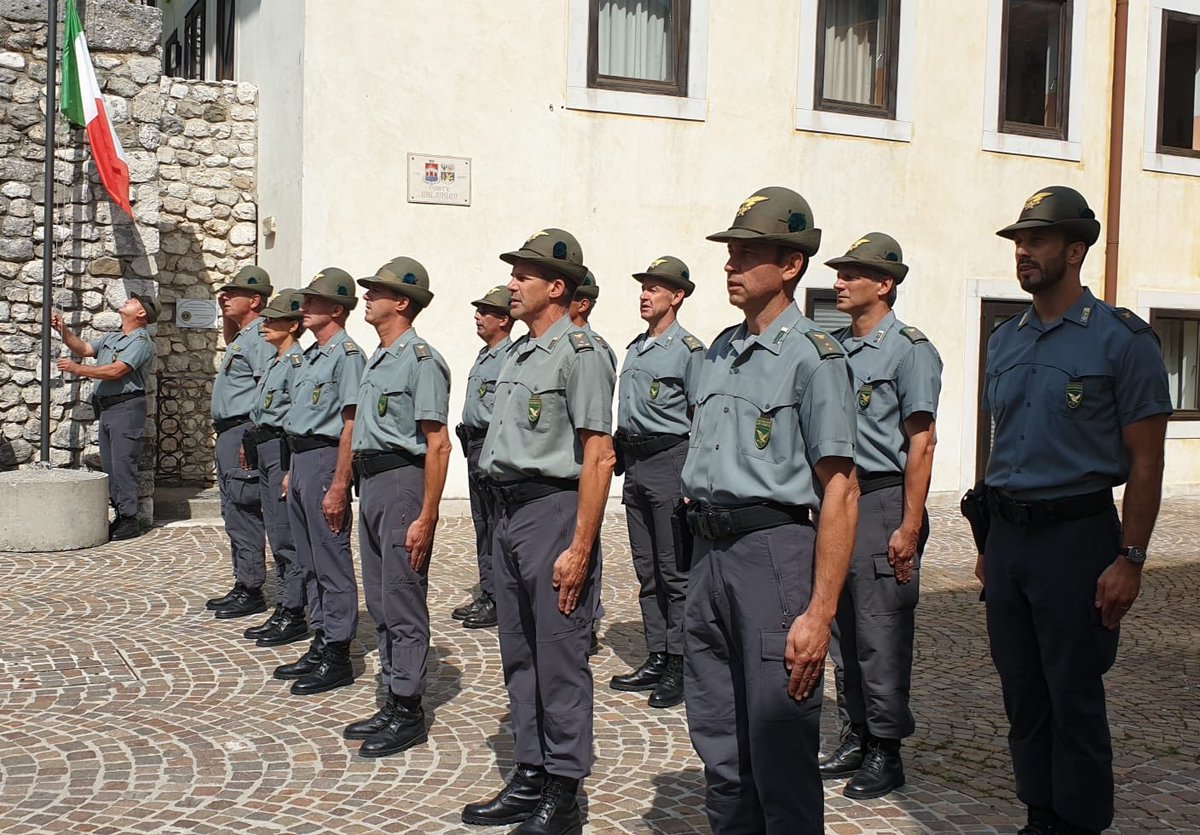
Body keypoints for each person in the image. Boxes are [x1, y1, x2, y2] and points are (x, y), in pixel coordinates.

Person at [981, 186, 1171, 835]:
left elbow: (1146, 461)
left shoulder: (1123, 343)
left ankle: (1081, 823)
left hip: (1077, 540)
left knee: (1075, 700)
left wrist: (1132, 558)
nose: (1023, 252)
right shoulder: (1004, 341)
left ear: (1075, 248)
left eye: (1036, 240)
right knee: (1023, 696)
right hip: (1009, 541)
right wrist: (988, 544)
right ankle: (1040, 816)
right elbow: (1001, 445)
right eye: (1018, 241)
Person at [680, 187, 859, 834]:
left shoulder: (814, 358)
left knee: (780, 752)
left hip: (772, 558)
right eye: (729, 253)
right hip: (707, 559)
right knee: (721, 749)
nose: (730, 266)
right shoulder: (716, 352)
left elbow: (841, 488)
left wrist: (820, 610)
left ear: (790, 265)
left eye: (747, 254)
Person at [461, 229, 615, 835]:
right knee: (519, 654)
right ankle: (529, 772)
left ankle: (564, 789)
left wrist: (580, 546)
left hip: (554, 511)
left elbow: (598, 454)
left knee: (560, 657)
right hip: (507, 515)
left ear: (557, 286)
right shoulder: (519, 353)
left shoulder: (581, 352)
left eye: (523, 275)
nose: (511, 284)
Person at [817, 233, 942, 798]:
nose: (839, 282)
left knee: (880, 631)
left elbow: (922, 443)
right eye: (839, 273)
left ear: (884, 284)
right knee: (842, 626)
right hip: (841, 500)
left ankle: (886, 750)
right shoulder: (835, 348)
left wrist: (910, 524)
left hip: (885, 498)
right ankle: (857, 732)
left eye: (852, 274)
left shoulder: (909, 350)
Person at [342, 257, 452, 758]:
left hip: (403, 483)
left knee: (403, 597)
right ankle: (393, 693)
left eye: (376, 291)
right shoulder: (379, 358)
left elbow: (438, 444)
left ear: (401, 302)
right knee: (384, 600)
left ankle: (408, 707)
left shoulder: (421, 360)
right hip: (374, 484)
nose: (366, 297)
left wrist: (428, 515)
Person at [609, 256, 704, 710]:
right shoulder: (635, 348)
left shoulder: (689, 351)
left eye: (654, 288)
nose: (644, 295)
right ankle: (657, 652)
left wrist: (693, 478)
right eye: (643, 287)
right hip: (636, 464)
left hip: (672, 462)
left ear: (677, 296)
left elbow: (701, 419)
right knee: (647, 570)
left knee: (674, 570)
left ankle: (681, 663)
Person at [272, 268, 365, 696]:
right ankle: (320, 638)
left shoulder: (347, 355)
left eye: (314, 301)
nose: (304, 307)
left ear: (337, 309)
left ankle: (338, 652)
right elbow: (300, 418)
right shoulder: (312, 355)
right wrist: (293, 467)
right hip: (305, 458)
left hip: (328, 460)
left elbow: (350, 423)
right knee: (309, 560)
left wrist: (339, 485)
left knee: (331, 561)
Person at [53, 293, 159, 542]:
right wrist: (64, 331)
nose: (127, 302)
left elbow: (117, 370)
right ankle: (120, 514)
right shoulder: (114, 336)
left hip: (126, 407)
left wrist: (78, 369)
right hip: (109, 408)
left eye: (134, 302)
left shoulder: (141, 341)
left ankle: (130, 519)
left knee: (123, 464)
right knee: (111, 465)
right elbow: (86, 349)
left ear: (142, 313)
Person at [205, 265, 277, 620]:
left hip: (243, 430)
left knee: (243, 508)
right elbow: (232, 341)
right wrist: (225, 313)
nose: (226, 297)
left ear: (256, 300)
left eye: (233, 294)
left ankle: (250, 587)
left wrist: (253, 434)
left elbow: (266, 387)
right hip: (230, 431)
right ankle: (243, 581)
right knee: (233, 509)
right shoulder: (246, 335)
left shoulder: (262, 337)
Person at [241, 290, 310, 648]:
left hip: (282, 449)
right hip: (265, 446)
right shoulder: (275, 360)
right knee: (274, 529)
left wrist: (289, 467)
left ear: (293, 326)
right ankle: (286, 604)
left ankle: (293, 609)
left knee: (285, 535)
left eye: (274, 319)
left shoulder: (297, 364)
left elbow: (295, 416)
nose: (265, 324)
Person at [452, 285, 515, 630]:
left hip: (491, 447)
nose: (478, 316)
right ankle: (489, 589)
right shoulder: (484, 354)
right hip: (473, 445)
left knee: (495, 523)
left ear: (504, 320)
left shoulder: (509, 356)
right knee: (482, 523)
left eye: (485, 311)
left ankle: (498, 596)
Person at [570, 270, 614, 657]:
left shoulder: (592, 350)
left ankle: (586, 621)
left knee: (585, 544)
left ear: (582, 303)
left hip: (574, 475)